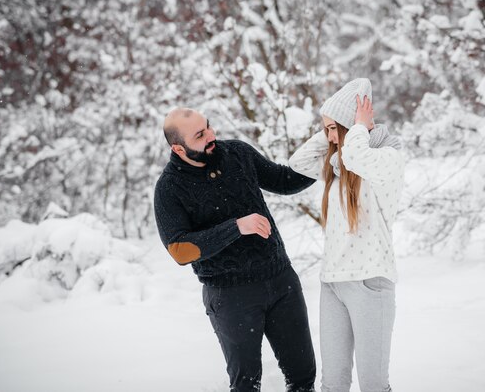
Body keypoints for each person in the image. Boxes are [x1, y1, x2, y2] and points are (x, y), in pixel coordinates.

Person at [153, 107, 317, 392]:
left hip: (281, 281)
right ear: (178, 148)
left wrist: (325, 158)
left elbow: (283, 180)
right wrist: (236, 227)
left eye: (209, 127)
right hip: (230, 296)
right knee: (246, 384)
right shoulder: (169, 188)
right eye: (200, 135)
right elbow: (180, 250)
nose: (211, 136)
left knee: (303, 377)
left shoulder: (238, 153)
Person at [289, 78, 404, 392]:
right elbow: (296, 162)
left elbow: (358, 157)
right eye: (326, 130)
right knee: (333, 383)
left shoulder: (389, 157)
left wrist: (356, 128)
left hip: (370, 282)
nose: (329, 138)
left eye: (332, 129)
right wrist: (332, 125)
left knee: (374, 385)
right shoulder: (336, 166)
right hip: (334, 283)